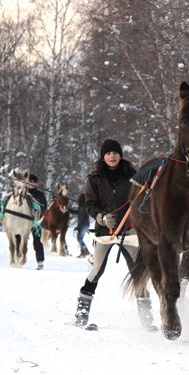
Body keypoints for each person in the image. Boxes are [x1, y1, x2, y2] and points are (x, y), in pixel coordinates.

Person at [73, 139, 155, 330]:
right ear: (103, 156)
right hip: (105, 233)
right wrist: (101, 217)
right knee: (96, 271)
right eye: (108, 153)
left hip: (129, 231)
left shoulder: (133, 175)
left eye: (115, 153)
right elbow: (90, 203)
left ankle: (146, 318)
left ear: (120, 155)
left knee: (139, 273)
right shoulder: (95, 178)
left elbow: (142, 200)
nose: (112, 156)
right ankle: (81, 313)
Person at [27, 174, 47, 270]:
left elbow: (44, 208)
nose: (32, 184)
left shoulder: (40, 195)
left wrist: (39, 216)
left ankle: (40, 261)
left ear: (36, 184)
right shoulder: (22, 193)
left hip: (36, 222)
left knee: (37, 241)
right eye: (30, 182)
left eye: (34, 182)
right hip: (24, 222)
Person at [74, 193, 90, 258]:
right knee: (79, 238)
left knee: (79, 238)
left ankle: (85, 250)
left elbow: (82, 218)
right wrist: (68, 209)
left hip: (84, 225)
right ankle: (83, 251)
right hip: (84, 225)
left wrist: (78, 227)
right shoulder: (82, 207)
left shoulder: (83, 207)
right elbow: (77, 212)